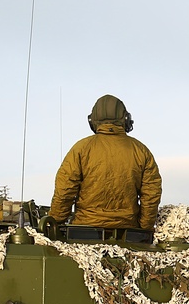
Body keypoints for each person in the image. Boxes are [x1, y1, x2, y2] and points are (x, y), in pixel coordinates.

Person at [49, 94, 162, 230]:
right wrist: (144, 229)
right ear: (126, 119)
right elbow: (151, 195)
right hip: (128, 231)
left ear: (92, 121)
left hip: (84, 231)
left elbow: (64, 190)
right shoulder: (141, 151)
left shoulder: (81, 148)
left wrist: (55, 222)